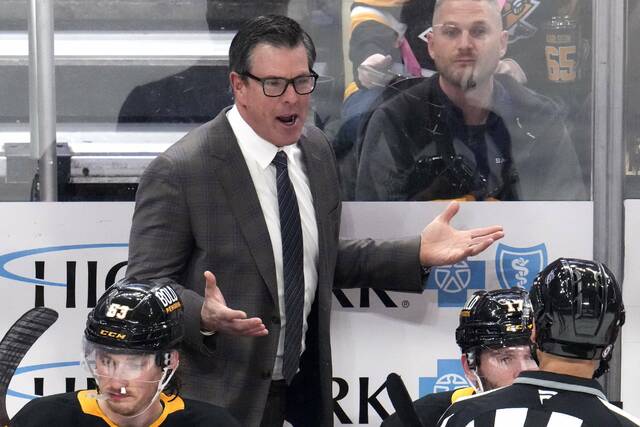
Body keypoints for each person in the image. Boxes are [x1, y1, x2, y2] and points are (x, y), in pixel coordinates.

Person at [124, 14, 505, 427]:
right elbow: (142, 288)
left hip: (302, 393)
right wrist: (200, 313)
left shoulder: (317, 150)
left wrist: (415, 253)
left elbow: (312, 257)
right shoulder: (183, 169)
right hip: (216, 399)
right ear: (239, 86)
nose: (292, 98)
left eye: (302, 81)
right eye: (274, 85)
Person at [354, 0, 587, 201]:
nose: (465, 44)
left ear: (502, 44)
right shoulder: (395, 122)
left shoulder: (541, 121)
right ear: (432, 45)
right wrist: (369, 49)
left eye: (478, 32)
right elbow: (378, 235)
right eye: (451, 32)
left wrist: (527, 66)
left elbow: (566, 224)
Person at [437, 258, 640, 426]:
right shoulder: (624, 425)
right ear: (611, 338)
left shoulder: (463, 415)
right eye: (505, 358)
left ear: (533, 331)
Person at [9, 279, 239, 427]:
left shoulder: (213, 423)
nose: (117, 381)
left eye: (134, 364)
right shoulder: (43, 419)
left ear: (169, 362)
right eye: (107, 361)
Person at [383, 287, 538, 427]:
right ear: (470, 366)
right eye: (505, 358)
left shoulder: (561, 414)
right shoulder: (427, 418)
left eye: (532, 356)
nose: (524, 372)